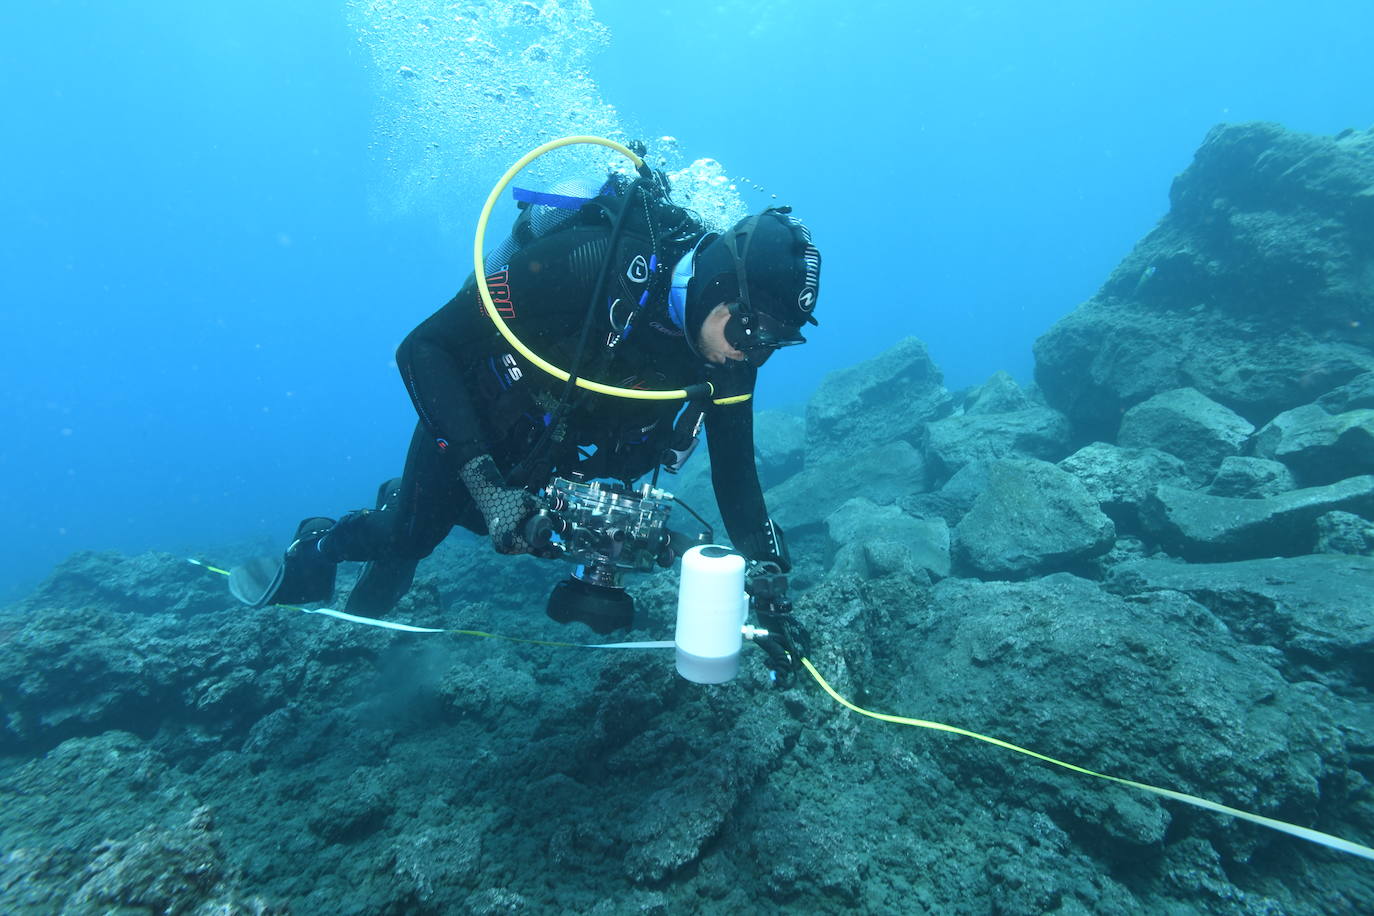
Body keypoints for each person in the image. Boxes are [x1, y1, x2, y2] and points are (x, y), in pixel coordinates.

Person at [230, 170, 821, 640]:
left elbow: (737, 477)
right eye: (751, 331)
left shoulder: (726, 356)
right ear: (718, 287)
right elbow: (424, 347)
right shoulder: (590, 264)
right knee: (406, 538)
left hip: (558, 462)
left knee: (456, 527)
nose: (753, 356)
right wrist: (487, 486)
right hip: (479, 425)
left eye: (775, 342)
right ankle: (319, 548)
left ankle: (410, 513)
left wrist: (767, 570)